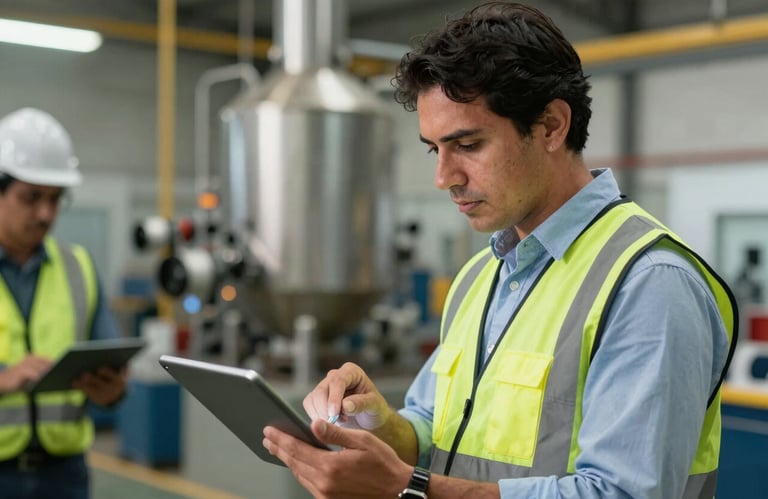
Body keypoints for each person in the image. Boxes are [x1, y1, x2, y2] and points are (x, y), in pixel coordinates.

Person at [262, 2, 737, 498]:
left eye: (467, 145)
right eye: (434, 149)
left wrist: (409, 489)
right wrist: (379, 424)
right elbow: (435, 436)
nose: (444, 178)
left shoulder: (648, 283)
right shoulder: (480, 276)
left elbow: (621, 494)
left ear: (552, 126)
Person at [0, 107, 127, 499]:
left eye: (56, 200)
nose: (45, 214)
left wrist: (113, 391)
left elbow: (113, 371)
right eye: (31, 197)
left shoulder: (79, 267)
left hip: (65, 476)